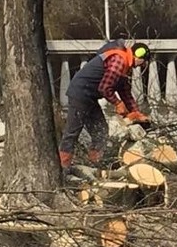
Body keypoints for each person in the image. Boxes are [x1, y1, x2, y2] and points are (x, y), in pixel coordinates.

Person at [59, 39, 151, 171]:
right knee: (72, 132)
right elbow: (105, 87)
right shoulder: (119, 60)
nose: (142, 65)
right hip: (80, 93)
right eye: (144, 62)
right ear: (139, 56)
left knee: (100, 131)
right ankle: (63, 167)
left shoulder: (126, 66)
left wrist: (136, 113)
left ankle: (94, 166)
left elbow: (125, 93)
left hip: (90, 97)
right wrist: (118, 103)